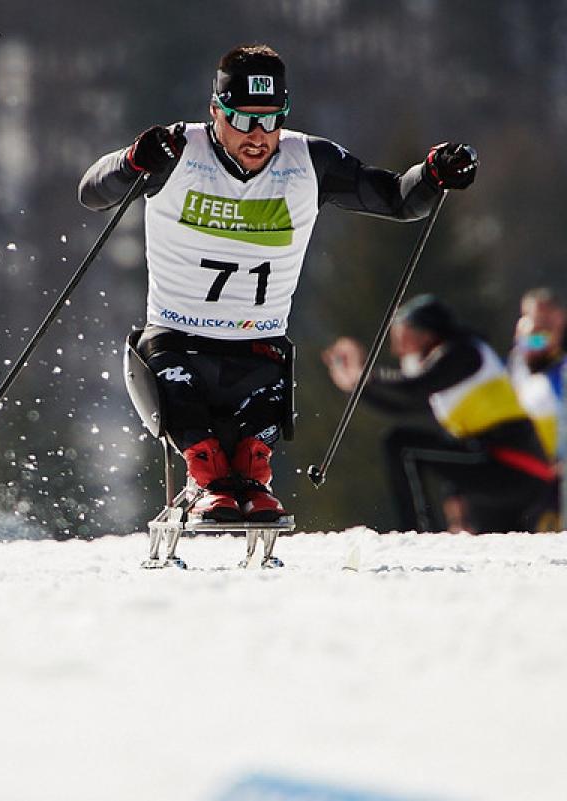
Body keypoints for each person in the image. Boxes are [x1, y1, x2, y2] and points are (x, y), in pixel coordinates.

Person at [79, 43, 478, 522]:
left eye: (272, 120)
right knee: (203, 446)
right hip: (176, 342)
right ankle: (207, 482)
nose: (259, 136)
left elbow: (399, 199)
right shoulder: (179, 150)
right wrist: (132, 161)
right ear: (216, 112)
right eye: (244, 120)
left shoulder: (309, 161)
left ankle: (248, 484)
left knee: (252, 459)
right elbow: (93, 192)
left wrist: (434, 175)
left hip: (257, 345)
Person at [323, 294, 556, 533]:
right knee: (402, 443)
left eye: (401, 337)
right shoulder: (445, 367)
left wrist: (365, 376)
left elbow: (414, 387)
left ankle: (415, 531)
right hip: (496, 464)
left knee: (402, 446)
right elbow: (403, 407)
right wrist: (357, 387)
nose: (396, 349)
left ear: (425, 332)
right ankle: (418, 529)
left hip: (513, 465)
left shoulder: (464, 351)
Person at [508, 287, 566, 463]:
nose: (540, 337)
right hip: (536, 455)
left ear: (560, 316)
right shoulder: (521, 356)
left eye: (547, 320)